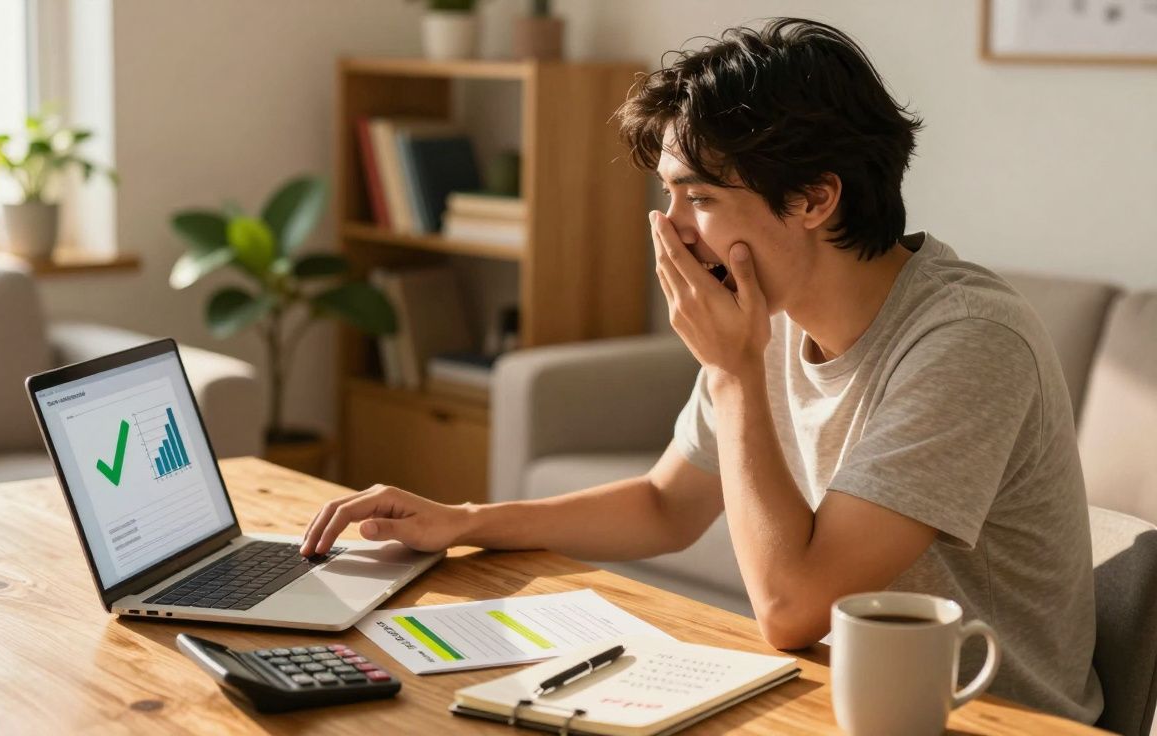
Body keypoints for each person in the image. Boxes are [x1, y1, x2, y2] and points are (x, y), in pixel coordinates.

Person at [300, 17, 1102, 723]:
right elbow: (664, 506)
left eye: (699, 199)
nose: (672, 230)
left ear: (815, 198)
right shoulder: (774, 315)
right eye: (668, 198)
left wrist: (733, 372)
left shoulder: (968, 342)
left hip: (988, 720)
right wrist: (464, 520)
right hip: (843, 701)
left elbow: (791, 606)